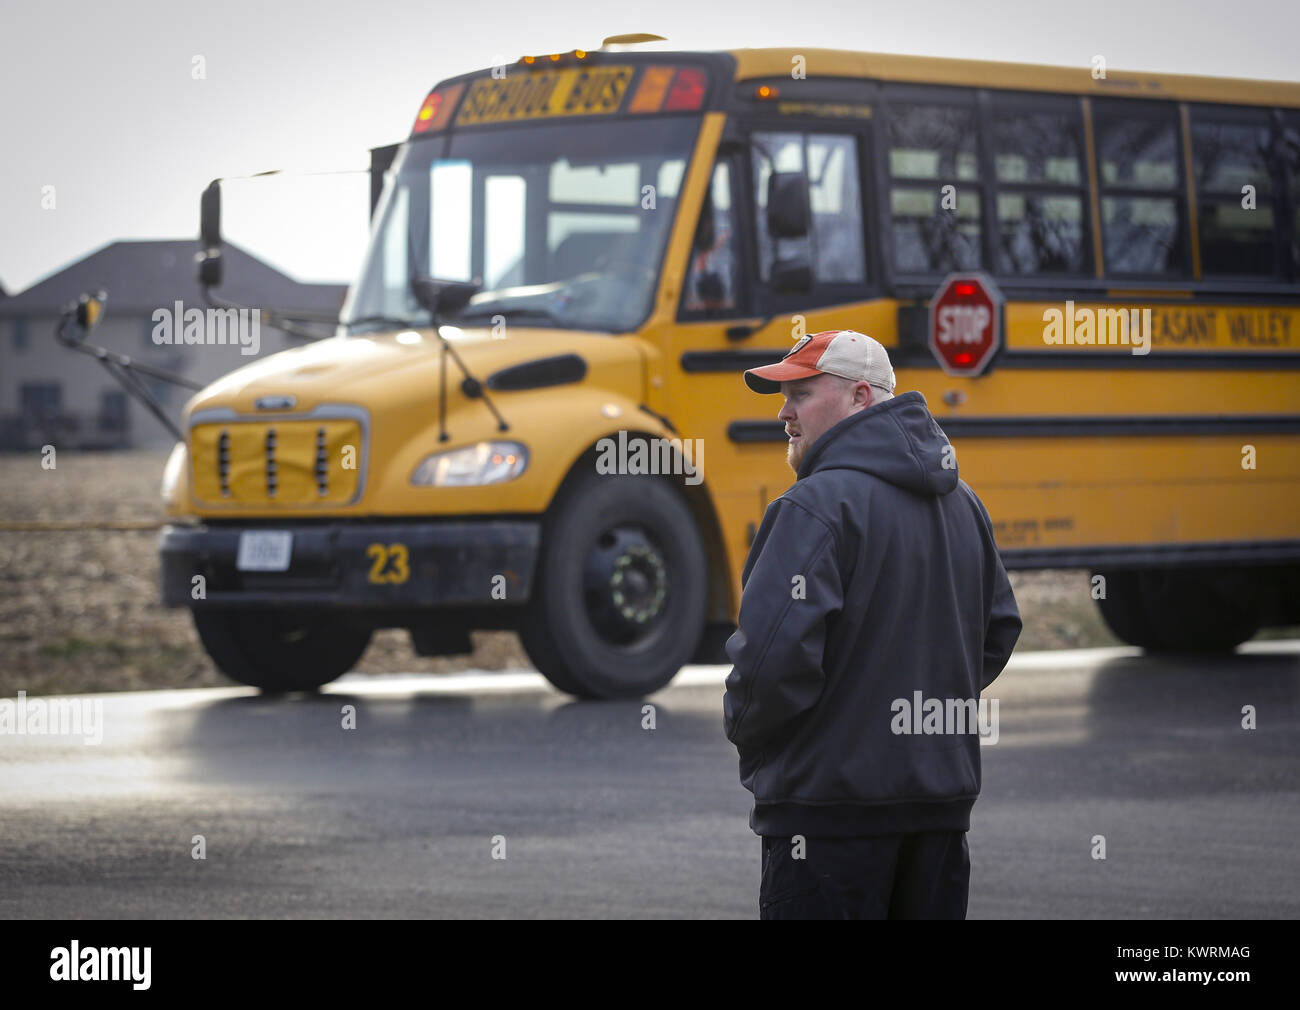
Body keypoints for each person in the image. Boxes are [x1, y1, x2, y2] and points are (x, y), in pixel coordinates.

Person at [722, 328, 1022, 919]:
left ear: (861, 397)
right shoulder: (964, 505)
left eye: (802, 394)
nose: (784, 412)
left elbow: (768, 665)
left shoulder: (812, 509)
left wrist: (762, 752)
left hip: (827, 819)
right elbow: (997, 631)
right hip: (939, 820)